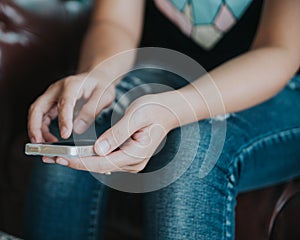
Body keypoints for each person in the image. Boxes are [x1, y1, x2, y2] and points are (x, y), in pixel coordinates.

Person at [25, 0, 300, 239]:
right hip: (166, 71)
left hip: (275, 83)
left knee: (192, 151)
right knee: (74, 125)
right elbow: (114, 22)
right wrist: (99, 77)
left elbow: (279, 50)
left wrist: (176, 108)